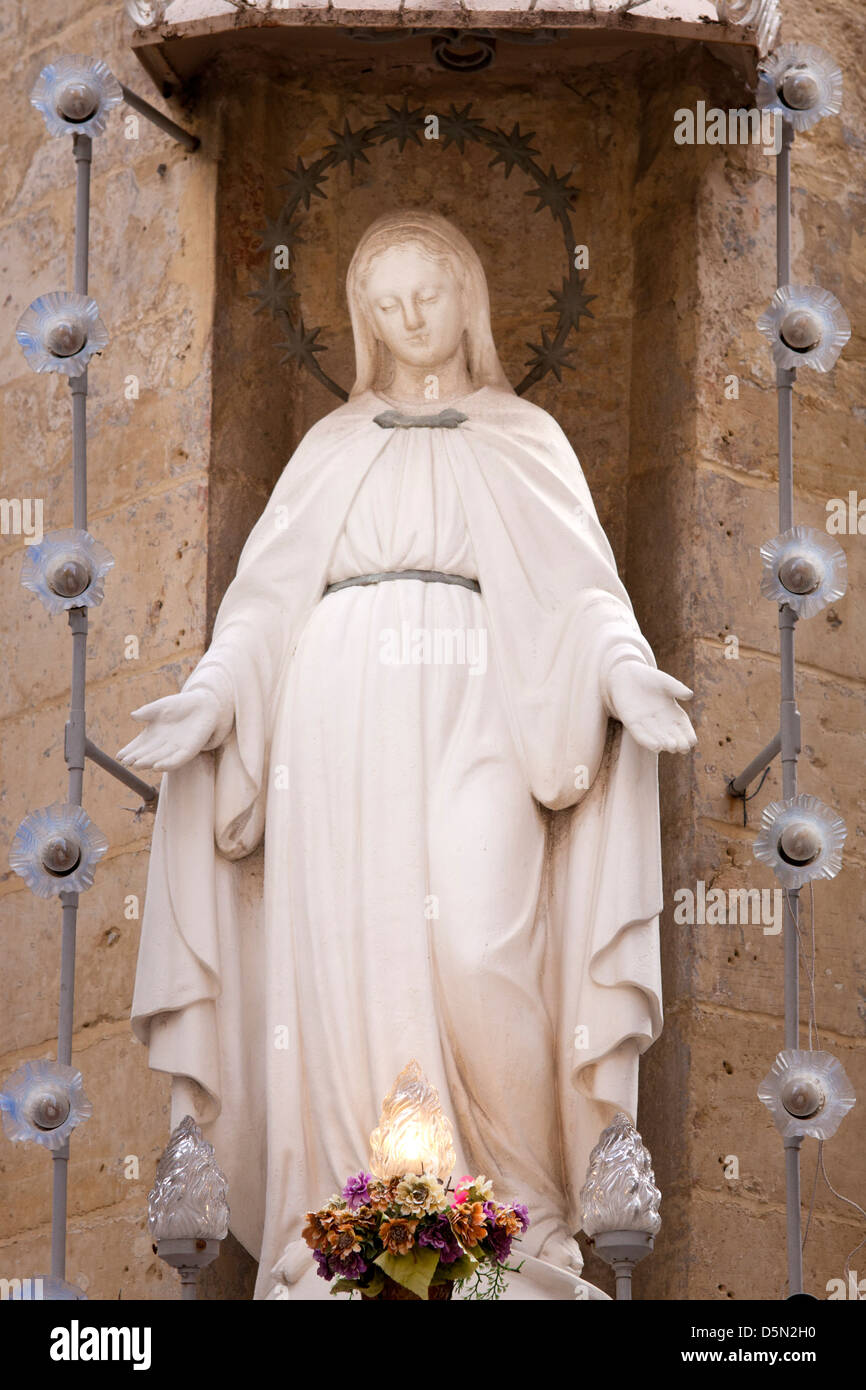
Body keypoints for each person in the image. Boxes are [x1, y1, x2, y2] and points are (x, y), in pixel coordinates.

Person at [120, 211, 695, 1300]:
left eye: (425, 293)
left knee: (479, 944)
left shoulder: (521, 435)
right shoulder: (328, 448)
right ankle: (339, 1229)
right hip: (333, 724)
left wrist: (620, 674)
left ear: (466, 298)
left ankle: (517, 1223)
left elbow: (581, 594)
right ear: (359, 321)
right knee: (348, 947)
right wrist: (209, 699)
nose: (407, 317)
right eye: (382, 304)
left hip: (482, 704)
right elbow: (262, 608)